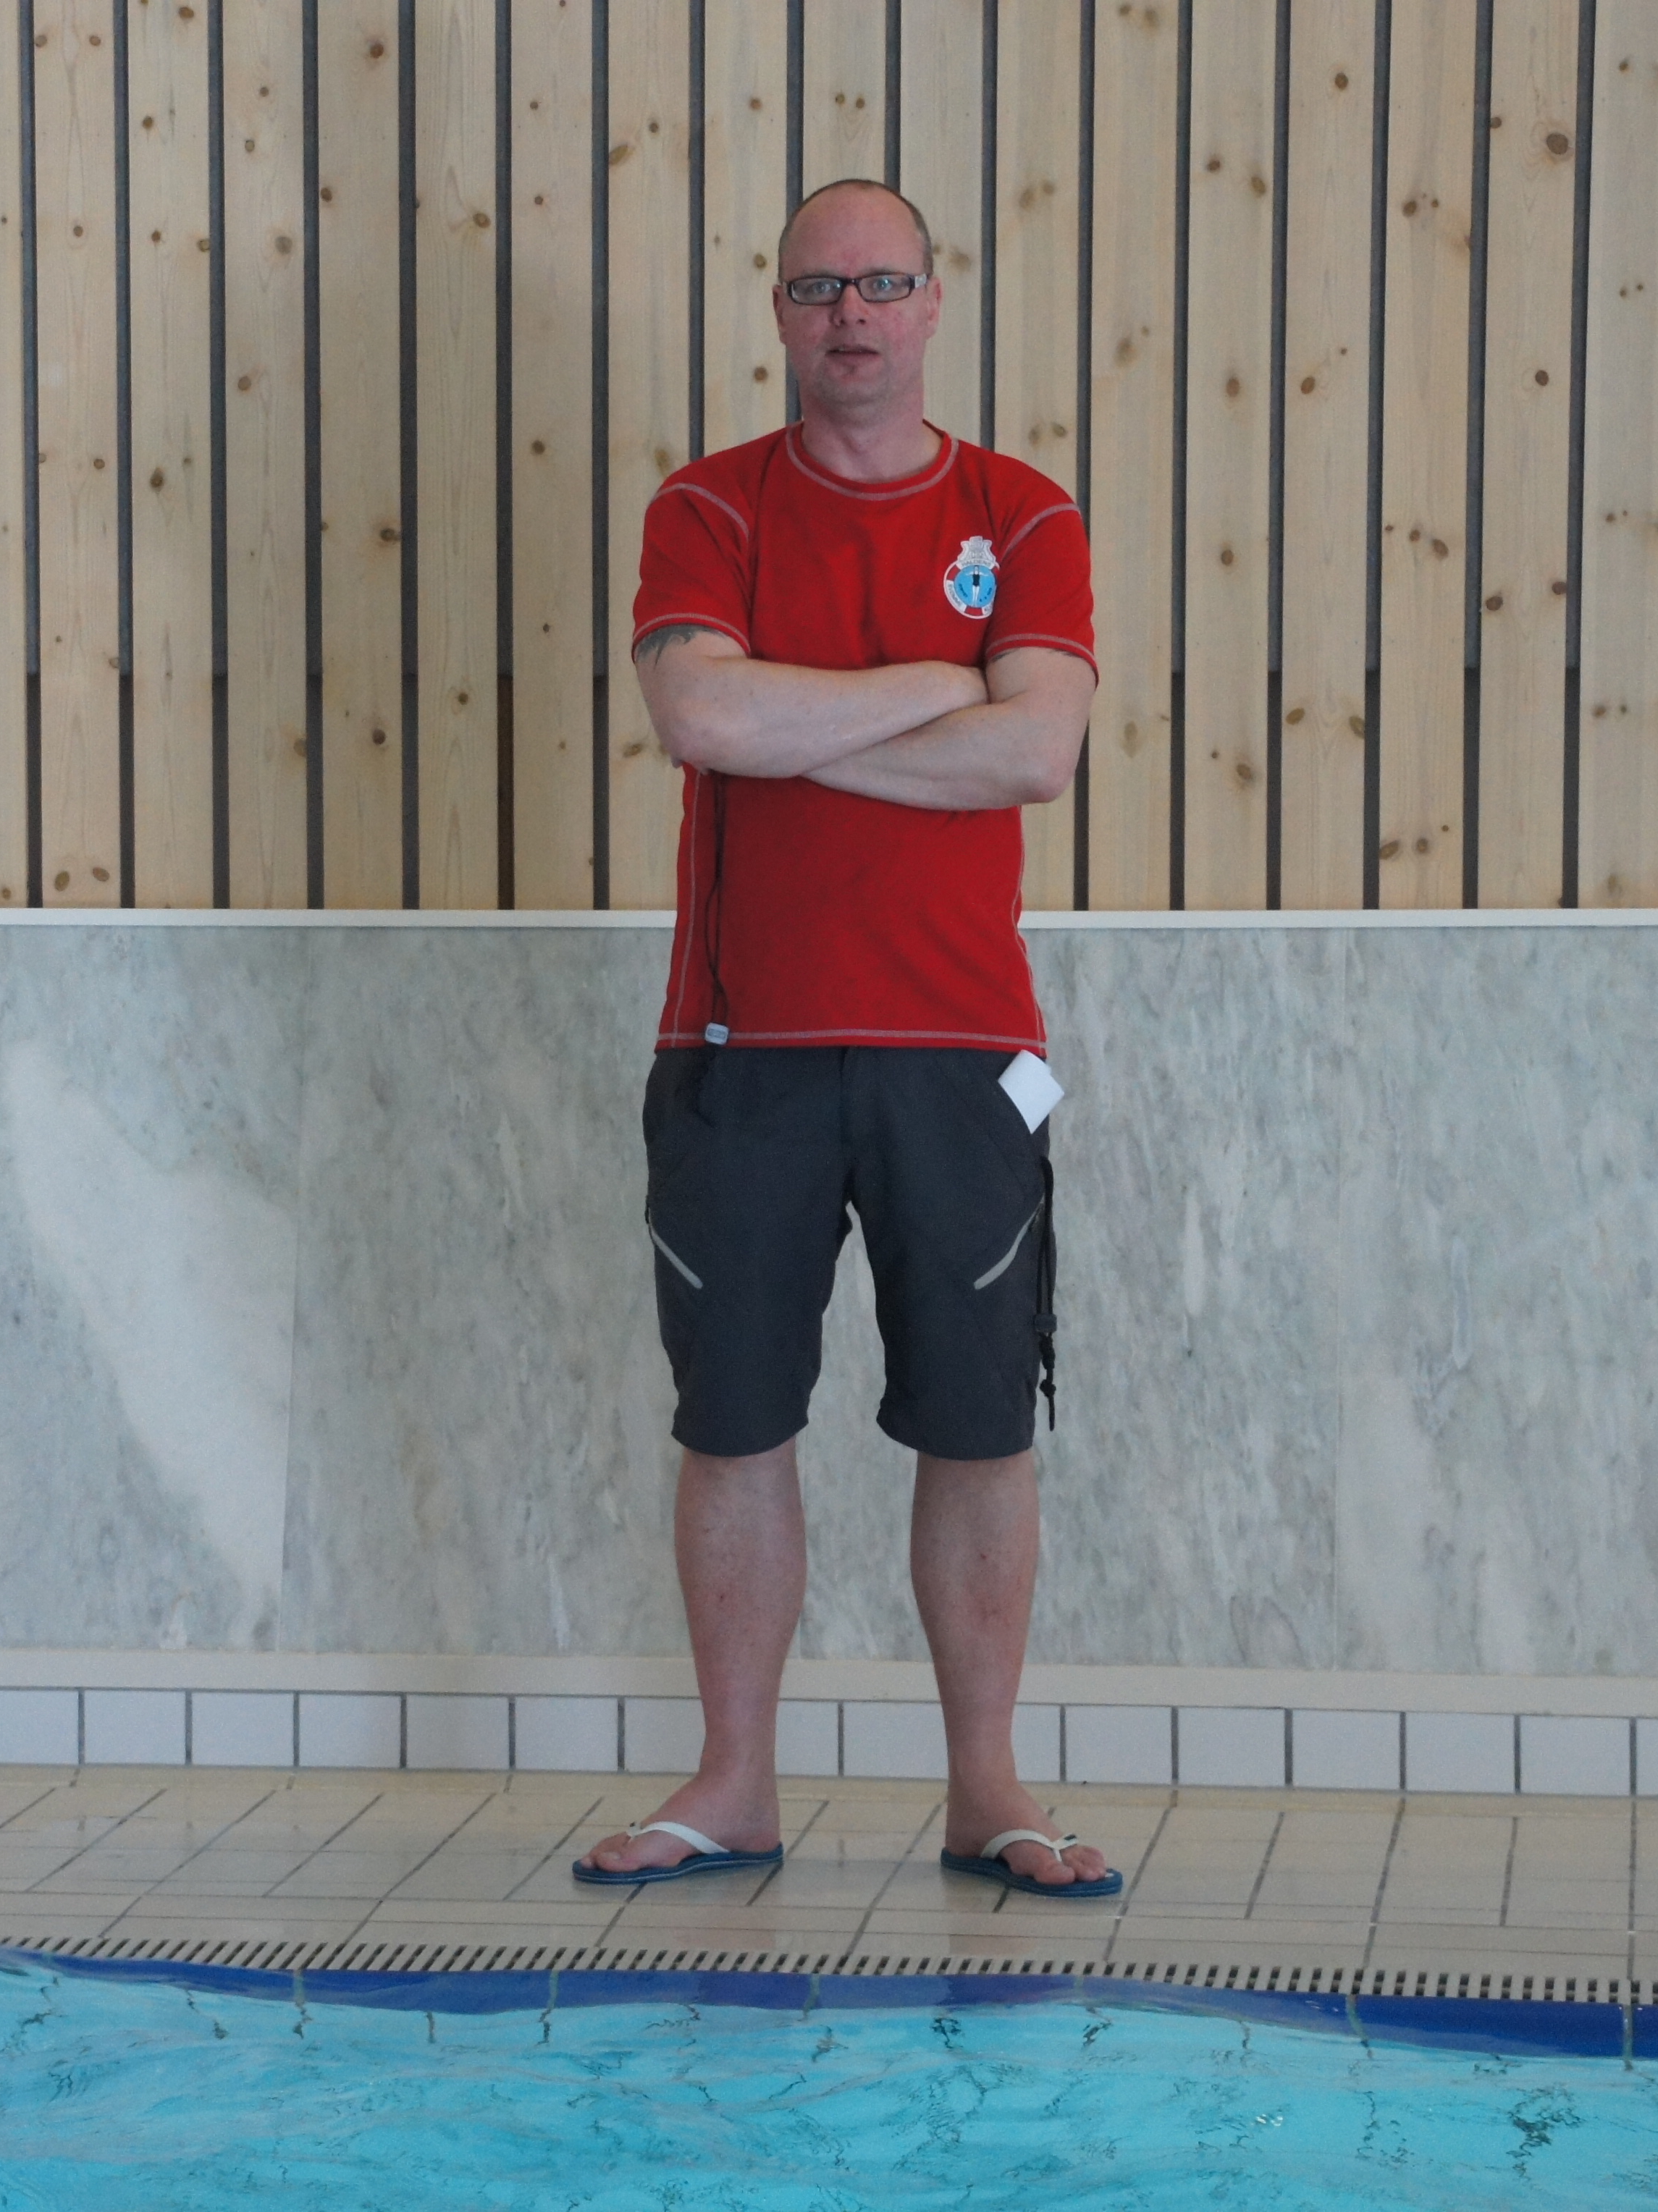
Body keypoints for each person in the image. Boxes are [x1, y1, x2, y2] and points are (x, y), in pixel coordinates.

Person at [573, 177, 1115, 1900]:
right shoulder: (708, 505)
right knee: (734, 1422)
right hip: (741, 1046)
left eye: (882, 284)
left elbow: (1037, 752)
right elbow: (699, 710)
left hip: (962, 1047)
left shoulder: (1019, 512)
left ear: (934, 301)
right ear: (780, 310)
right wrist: (939, 684)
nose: (852, 316)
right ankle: (733, 1784)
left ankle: (985, 1789)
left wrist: (799, 721)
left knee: (979, 1426)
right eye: (819, 288)